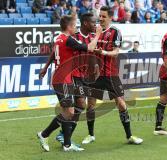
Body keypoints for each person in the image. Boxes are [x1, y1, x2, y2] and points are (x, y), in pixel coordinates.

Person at [37, 15, 102, 152]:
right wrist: (97, 35)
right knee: (69, 112)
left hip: (63, 79)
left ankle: (65, 143)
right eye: (75, 26)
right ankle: (45, 135)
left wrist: (45, 68)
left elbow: (55, 54)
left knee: (68, 112)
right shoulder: (68, 40)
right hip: (62, 80)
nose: (76, 28)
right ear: (70, 27)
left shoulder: (59, 38)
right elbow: (90, 47)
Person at [81, 6, 143, 145]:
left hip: (110, 74)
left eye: (103, 16)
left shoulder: (115, 32)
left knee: (121, 103)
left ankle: (129, 136)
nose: (101, 19)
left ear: (110, 17)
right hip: (94, 74)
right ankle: (90, 135)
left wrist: (103, 53)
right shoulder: (94, 31)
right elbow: (89, 48)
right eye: (100, 16)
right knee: (90, 104)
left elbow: (116, 52)